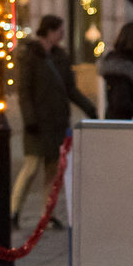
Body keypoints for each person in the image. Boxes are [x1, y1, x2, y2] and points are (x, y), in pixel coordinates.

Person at [15, 14, 97, 225]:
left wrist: (89, 107)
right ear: (49, 31)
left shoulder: (61, 56)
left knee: (53, 170)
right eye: (59, 31)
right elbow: (24, 91)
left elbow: (70, 89)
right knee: (31, 167)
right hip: (37, 122)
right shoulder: (30, 55)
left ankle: (47, 214)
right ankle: (13, 210)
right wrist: (29, 118)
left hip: (57, 121)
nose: (62, 35)